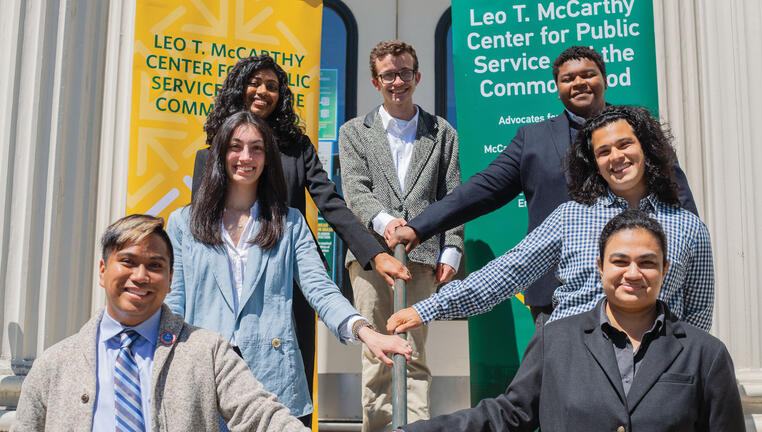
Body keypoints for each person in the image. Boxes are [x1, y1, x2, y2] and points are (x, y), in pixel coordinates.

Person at [387, 46, 698, 327]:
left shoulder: (637, 134)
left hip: (646, 290)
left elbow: (678, 201)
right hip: (558, 296)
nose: (579, 83)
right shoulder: (532, 140)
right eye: (568, 78)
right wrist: (419, 227)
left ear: (605, 79)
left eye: (588, 75)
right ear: (557, 88)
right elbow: (482, 189)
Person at [166, 111, 412, 424]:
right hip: (203, 374)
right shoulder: (183, 223)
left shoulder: (289, 222)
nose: (246, 157)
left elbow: (320, 289)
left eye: (257, 148)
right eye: (236, 147)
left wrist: (364, 331)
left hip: (272, 378)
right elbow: (174, 301)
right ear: (219, 154)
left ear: (268, 158)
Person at [398, 210, 744, 432]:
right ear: (600, 267)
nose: (633, 273)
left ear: (665, 270)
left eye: (648, 263)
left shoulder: (705, 353)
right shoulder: (556, 340)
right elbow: (509, 414)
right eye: (620, 261)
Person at [12, 214, 308, 432]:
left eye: (155, 266)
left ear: (170, 280)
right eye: (127, 262)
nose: (140, 276)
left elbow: (261, 416)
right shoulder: (54, 365)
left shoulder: (208, 352)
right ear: (103, 272)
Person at [338, 40, 463, 432]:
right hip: (371, 257)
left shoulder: (441, 132)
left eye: (404, 73)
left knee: (414, 353)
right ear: (376, 81)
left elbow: (452, 195)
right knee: (378, 356)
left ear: (417, 77)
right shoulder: (355, 132)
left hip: (423, 259)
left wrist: (453, 248)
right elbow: (356, 190)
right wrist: (385, 222)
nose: (398, 81)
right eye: (388, 75)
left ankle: (415, 428)